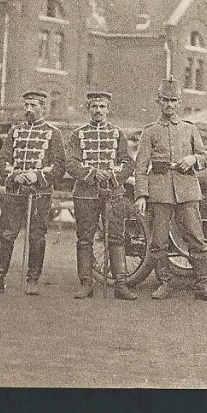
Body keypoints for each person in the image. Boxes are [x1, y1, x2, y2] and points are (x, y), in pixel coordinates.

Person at [134, 77, 207, 303]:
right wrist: (141, 195)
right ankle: (164, 282)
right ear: (158, 101)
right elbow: (141, 166)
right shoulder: (150, 132)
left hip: (187, 191)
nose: (169, 105)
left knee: (196, 237)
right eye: (165, 100)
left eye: (173, 100)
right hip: (160, 191)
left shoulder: (190, 129)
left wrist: (193, 159)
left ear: (179, 103)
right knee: (159, 240)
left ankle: (202, 285)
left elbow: (205, 158)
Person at [0, 90, 65, 296]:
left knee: (36, 236)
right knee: (6, 235)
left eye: (33, 105)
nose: (29, 109)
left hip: (39, 193)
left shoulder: (53, 133)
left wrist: (36, 176)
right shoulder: (14, 132)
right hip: (15, 192)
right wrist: (14, 175)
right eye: (26, 105)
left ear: (43, 107)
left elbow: (58, 165)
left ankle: (32, 280)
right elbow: (2, 159)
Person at [65, 91, 137, 301]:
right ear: (88, 109)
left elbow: (128, 162)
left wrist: (115, 175)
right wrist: (94, 173)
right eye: (94, 107)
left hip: (113, 193)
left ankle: (121, 285)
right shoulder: (78, 134)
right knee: (85, 239)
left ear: (108, 109)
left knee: (116, 238)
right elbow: (71, 163)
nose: (98, 111)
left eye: (102, 107)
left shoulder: (117, 134)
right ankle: (86, 284)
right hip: (85, 194)